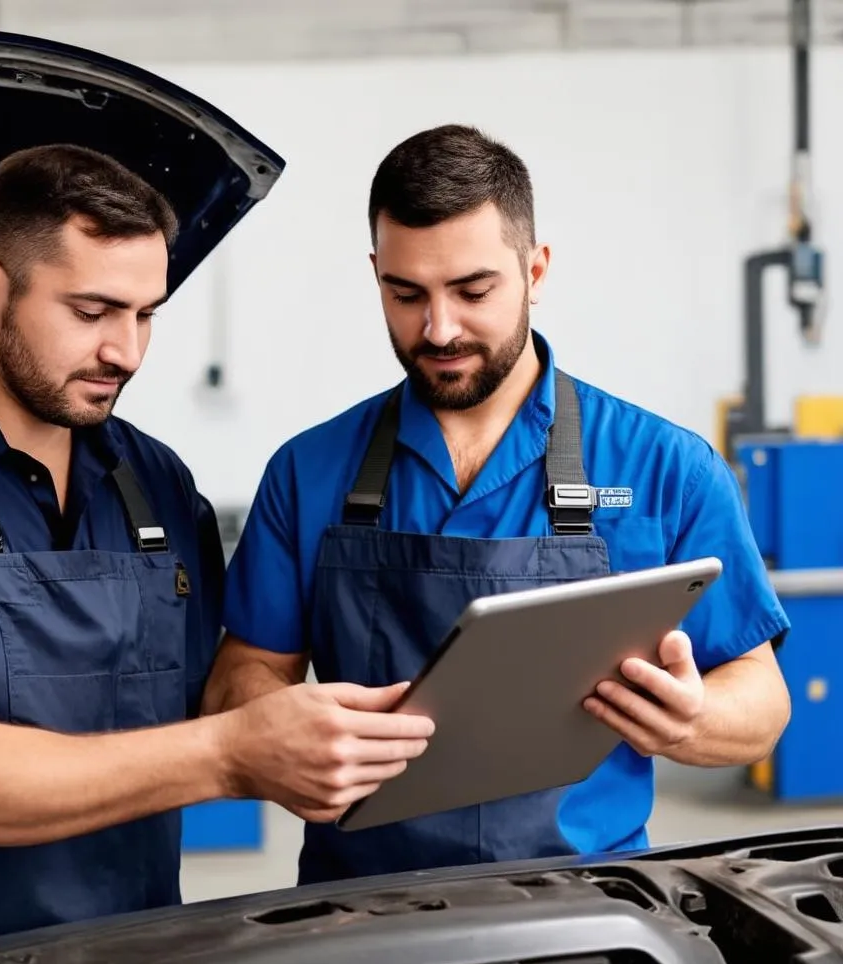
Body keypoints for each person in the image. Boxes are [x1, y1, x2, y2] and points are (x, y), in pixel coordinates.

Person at [0, 143, 435, 964]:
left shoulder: (156, 484)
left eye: (145, 314)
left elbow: (205, 708)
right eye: (92, 311)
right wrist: (230, 754)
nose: (128, 352)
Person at [203, 124, 792, 887]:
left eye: (473, 291)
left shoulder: (666, 469)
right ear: (376, 274)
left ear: (536, 269)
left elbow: (761, 699)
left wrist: (693, 719)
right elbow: (244, 670)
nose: (438, 328)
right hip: (359, 911)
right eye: (406, 293)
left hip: (591, 904)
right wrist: (276, 728)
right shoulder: (307, 472)